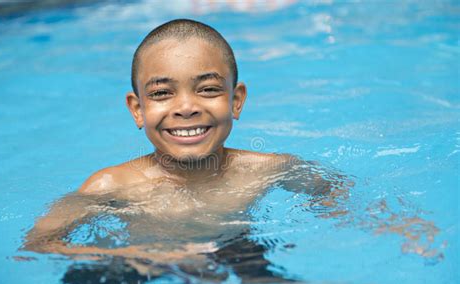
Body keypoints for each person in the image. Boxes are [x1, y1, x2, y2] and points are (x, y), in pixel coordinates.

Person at [23, 18, 347, 262]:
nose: (187, 108)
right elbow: (38, 244)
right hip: (135, 267)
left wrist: (363, 226)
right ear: (138, 110)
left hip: (234, 253)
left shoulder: (267, 169)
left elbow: (332, 190)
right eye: (162, 93)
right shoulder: (110, 186)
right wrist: (140, 256)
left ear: (236, 100)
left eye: (207, 89)